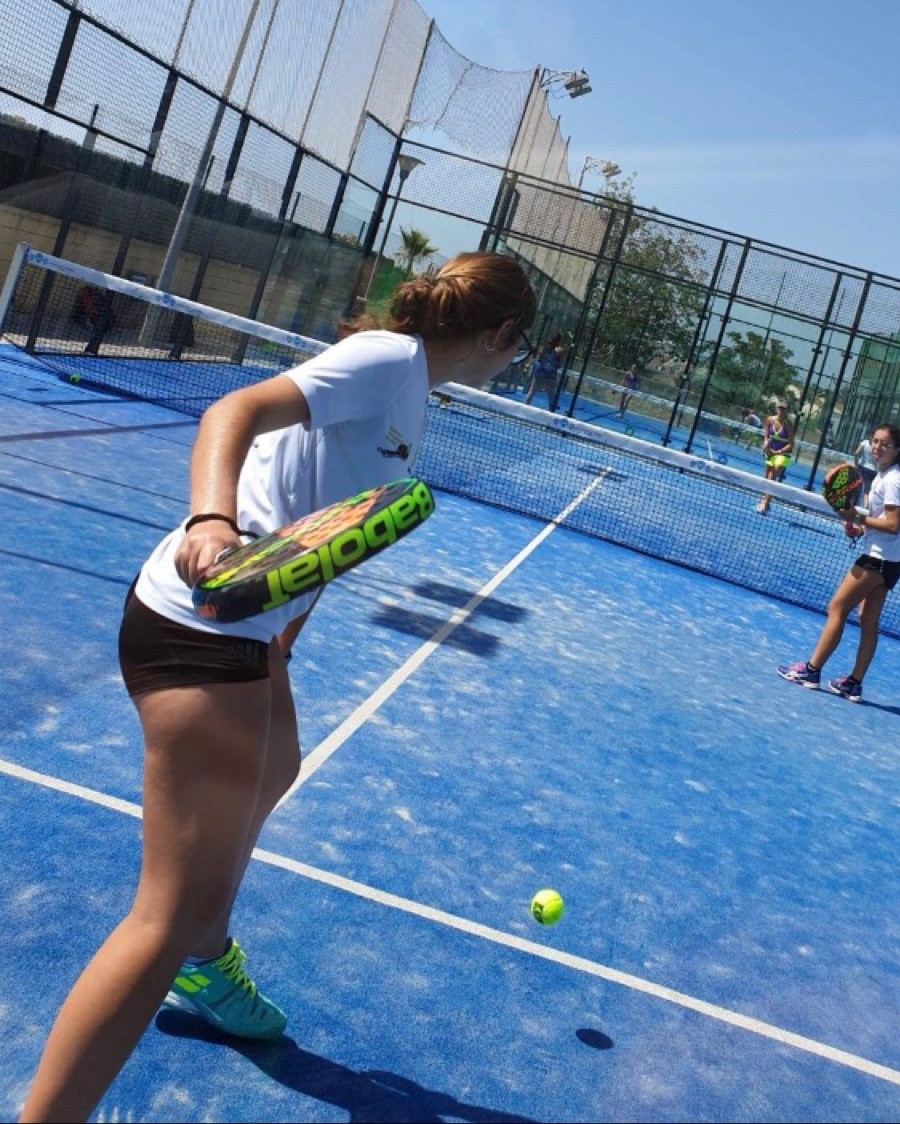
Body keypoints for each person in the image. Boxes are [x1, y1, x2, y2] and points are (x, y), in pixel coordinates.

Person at [19, 252, 538, 1124]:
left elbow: (328, 520)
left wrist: (287, 635)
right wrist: (211, 517)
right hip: (198, 627)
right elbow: (234, 410)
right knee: (160, 922)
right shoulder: (386, 359)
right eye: (520, 348)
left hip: (249, 634)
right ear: (503, 334)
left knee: (278, 763)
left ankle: (206, 956)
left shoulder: (412, 389)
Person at [776, 423, 900, 701]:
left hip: (876, 560)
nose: (877, 448)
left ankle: (811, 671)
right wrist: (858, 527)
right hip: (891, 561)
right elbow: (880, 523)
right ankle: (853, 683)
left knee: (836, 608)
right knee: (868, 620)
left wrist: (859, 517)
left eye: (885, 444)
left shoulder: (893, 481)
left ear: (897, 450)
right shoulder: (884, 476)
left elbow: (892, 525)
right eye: (875, 442)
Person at [756, 398, 794, 514]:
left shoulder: (788, 424)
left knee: (773, 475)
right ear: (777, 409)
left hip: (783, 455)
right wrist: (766, 446)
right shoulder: (770, 420)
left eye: (783, 409)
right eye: (780, 408)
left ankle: (765, 503)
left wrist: (780, 452)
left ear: (786, 411)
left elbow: (791, 444)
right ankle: (765, 499)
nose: (781, 411)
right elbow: (766, 436)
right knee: (767, 477)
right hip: (770, 452)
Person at [524, 334, 562, 411]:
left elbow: (539, 358)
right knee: (551, 395)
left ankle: (524, 407)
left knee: (532, 391)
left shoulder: (544, 347)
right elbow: (560, 364)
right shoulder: (559, 350)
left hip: (539, 371)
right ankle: (551, 412)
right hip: (550, 373)